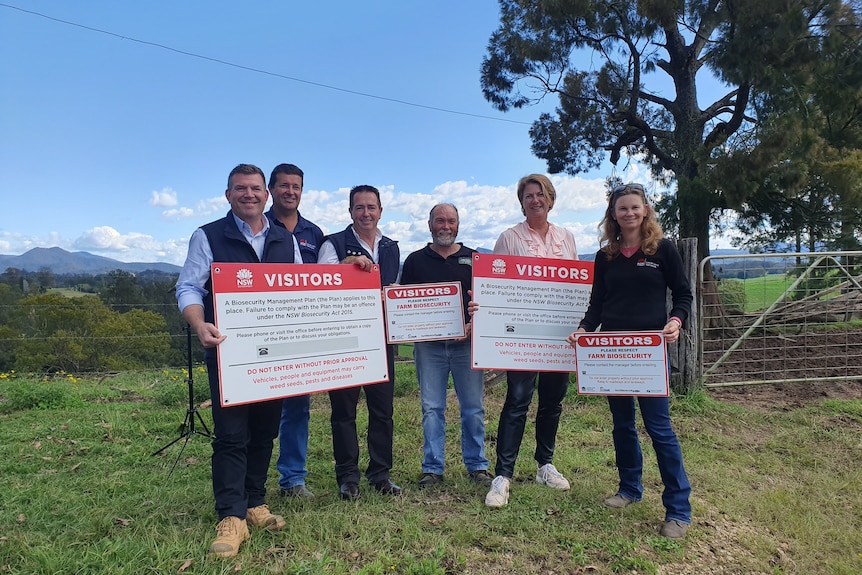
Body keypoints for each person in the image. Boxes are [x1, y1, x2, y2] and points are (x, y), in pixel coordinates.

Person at [175, 164, 303, 557]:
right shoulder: (209, 235)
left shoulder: (285, 238)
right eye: (240, 189)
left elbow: (299, 289)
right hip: (229, 351)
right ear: (228, 194)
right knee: (232, 433)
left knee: (265, 430)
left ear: (266, 195)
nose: (249, 194)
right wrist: (200, 325)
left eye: (255, 189)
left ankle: (254, 502)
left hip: (275, 353)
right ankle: (231, 517)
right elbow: (189, 286)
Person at [565, 182, 693, 539]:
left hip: (648, 353)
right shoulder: (604, 256)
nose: (629, 213)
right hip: (611, 352)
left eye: (635, 207)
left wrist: (675, 321)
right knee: (622, 424)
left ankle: (678, 510)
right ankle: (629, 489)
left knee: (660, 429)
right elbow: (597, 303)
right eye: (622, 209)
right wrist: (583, 329)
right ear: (613, 215)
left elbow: (683, 294)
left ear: (646, 210)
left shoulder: (663, 250)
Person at [484, 174, 579, 508]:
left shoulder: (566, 238)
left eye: (540, 194)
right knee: (518, 400)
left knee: (553, 401)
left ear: (550, 199)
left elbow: (575, 288)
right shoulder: (509, 238)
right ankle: (502, 476)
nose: (535, 200)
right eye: (528, 195)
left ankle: (545, 465)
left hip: (558, 335)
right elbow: (493, 286)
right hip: (523, 335)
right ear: (521, 201)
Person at [400, 203, 492, 489]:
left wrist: (473, 323)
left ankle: (477, 466)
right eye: (439, 220)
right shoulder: (415, 260)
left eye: (451, 221)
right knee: (431, 407)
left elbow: (488, 301)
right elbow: (404, 304)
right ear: (429, 224)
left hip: (466, 345)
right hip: (429, 347)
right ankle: (432, 468)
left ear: (458, 224)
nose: (445, 226)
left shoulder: (475, 258)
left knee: (473, 408)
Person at [317, 185, 401, 499]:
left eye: (371, 207)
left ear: (380, 210)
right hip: (345, 340)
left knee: (383, 411)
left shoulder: (391, 247)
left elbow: (396, 288)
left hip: (382, 340)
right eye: (359, 207)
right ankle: (348, 478)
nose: (365, 213)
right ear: (350, 211)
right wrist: (346, 267)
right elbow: (320, 286)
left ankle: (380, 474)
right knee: (344, 412)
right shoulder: (334, 243)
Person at [265, 163, 324, 500]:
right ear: (272, 189)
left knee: (298, 408)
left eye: (296, 186)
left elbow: (326, 278)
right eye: (284, 185)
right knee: (259, 408)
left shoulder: (314, 233)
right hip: (264, 330)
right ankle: (250, 480)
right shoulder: (257, 225)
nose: (290, 191)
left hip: (301, 334)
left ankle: (292, 479)